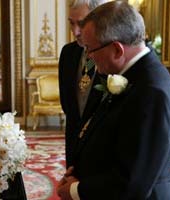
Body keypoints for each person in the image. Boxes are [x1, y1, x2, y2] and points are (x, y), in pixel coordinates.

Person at [57, 1, 170, 199]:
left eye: (90, 49)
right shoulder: (134, 74)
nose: (88, 57)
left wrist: (75, 190)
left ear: (117, 50)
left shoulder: (152, 92)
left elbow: (132, 183)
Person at [58, 0, 107, 168]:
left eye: (81, 24)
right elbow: (67, 103)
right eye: (71, 23)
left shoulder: (112, 54)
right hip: (73, 143)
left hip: (102, 146)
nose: (75, 31)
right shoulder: (68, 53)